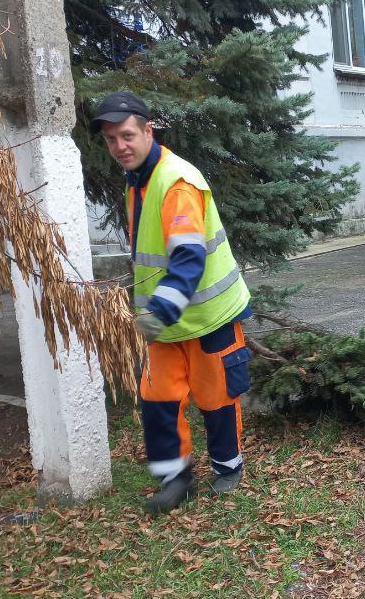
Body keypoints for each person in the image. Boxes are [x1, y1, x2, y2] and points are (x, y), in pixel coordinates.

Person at [90, 92, 252, 513]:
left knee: (216, 396)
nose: (119, 146)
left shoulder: (176, 182)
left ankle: (227, 467)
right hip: (167, 321)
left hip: (209, 314)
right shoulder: (140, 179)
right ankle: (174, 478)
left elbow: (188, 255)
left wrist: (160, 308)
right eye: (111, 139)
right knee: (158, 398)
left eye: (127, 135)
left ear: (148, 130)